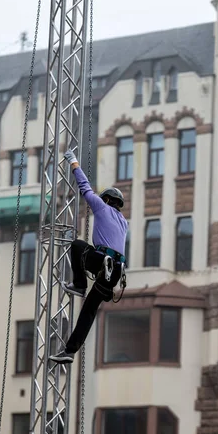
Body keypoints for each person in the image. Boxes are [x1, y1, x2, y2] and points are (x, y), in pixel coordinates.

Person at [49, 148, 128, 365]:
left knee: (77, 245)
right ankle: (69, 351)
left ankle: (79, 284)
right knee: (89, 312)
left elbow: (85, 188)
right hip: (115, 272)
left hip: (104, 262)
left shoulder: (101, 208)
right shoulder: (124, 222)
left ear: (106, 199)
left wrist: (74, 162)